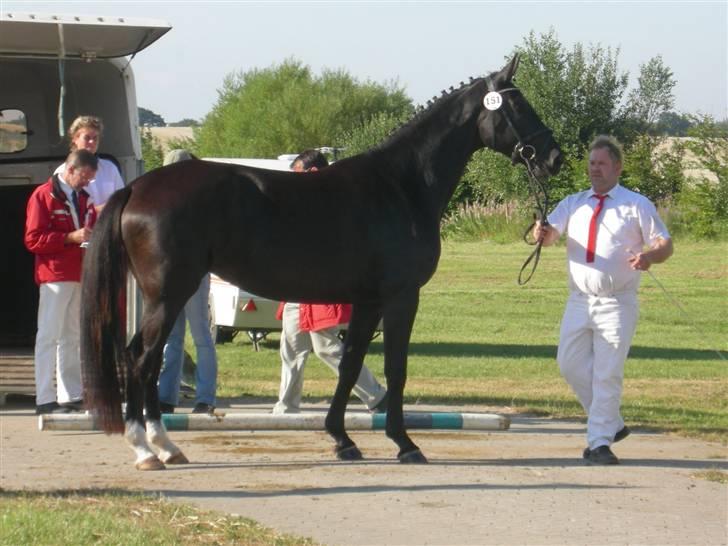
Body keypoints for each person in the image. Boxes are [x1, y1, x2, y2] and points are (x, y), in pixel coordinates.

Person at [534, 135, 673, 465]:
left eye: (601, 163)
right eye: (591, 163)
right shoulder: (574, 202)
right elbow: (550, 235)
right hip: (579, 301)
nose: (594, 169)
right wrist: (541, 232)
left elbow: (665, 244)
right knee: (569, 364)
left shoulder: (636, 204)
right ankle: (612, 423)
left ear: (617, 167)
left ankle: (598, 443)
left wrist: (650, 257)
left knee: (607, 372)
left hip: (617, 302)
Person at [272, 149, 388, 415]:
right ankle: (286, 406)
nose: (294, 180)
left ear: (312, 173)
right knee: (290, 347)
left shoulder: (334, 199)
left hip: (320, 285)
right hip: (297, 287)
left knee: (325, 346)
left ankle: (378, 397)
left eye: (298, 174)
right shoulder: (303, 201)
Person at [25, 149, 98, 414]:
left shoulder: (83, 197)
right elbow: (32, 240)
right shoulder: (43, 196)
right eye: (85, 177)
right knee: (48, 336)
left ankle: (71, 394)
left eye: (91, 178)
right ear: (70, 170)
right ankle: (44, 399)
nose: (88, 183)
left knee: (72, 336)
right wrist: (70, 237)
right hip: (54, 275)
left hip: (79, 272)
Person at [157, 149, 218, 414]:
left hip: (188, 272)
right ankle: (176, 396)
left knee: (191, 336)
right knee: (183, 336)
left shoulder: (183, 199)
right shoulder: (191, 197)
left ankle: (196, 397)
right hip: (177, 272)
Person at [55, 115, 124, 212]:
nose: (92, 142)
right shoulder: (62, 172)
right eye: (87, 138)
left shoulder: (110, 168)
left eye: (95, 138)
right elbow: (63, 210)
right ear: (75, 139)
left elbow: (121, 199)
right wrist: (95, 212)